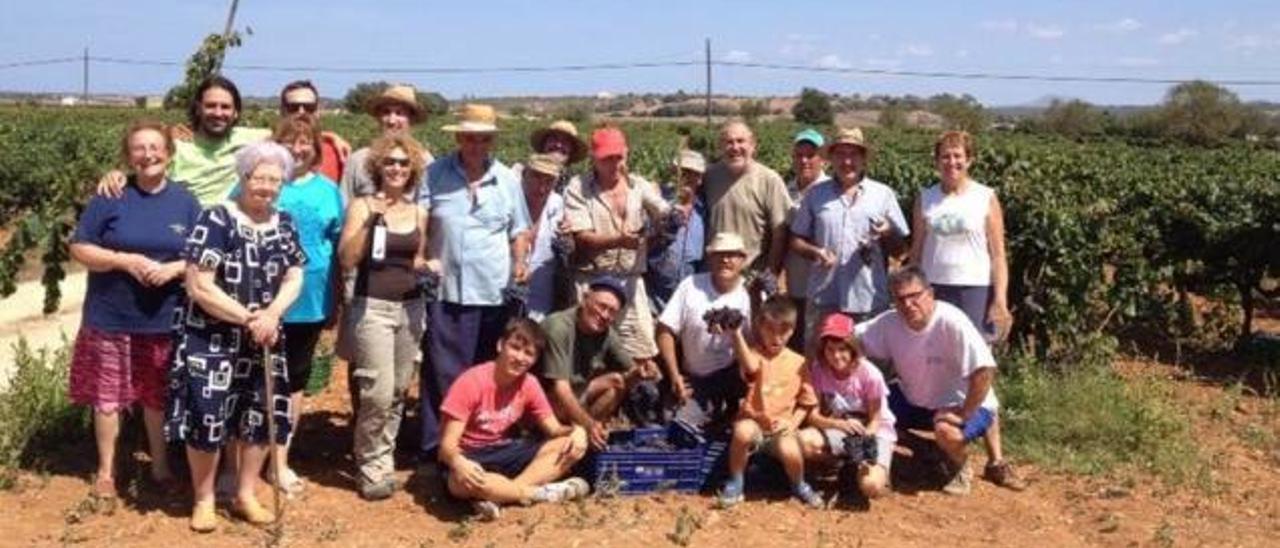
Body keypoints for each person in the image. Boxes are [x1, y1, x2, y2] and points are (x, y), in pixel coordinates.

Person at [166, 141, 305, 531]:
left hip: (263, 337)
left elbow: (295, 274)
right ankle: (205, 498)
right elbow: (199, 285)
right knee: (209, 417)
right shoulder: (217, 219)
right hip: (212, 338)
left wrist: (273, 313)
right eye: (259, 178)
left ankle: (245, 494)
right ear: (243, 178)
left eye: (276, 180)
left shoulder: (285, 222)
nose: (267, 187)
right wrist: (248, 318)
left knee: (260, 416)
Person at [68, 121, 201, 500]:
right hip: (111, 316)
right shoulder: (110, 196)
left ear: (169, 154)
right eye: (139, 149)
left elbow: (202, 254)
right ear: (128, 156)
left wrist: (174, 268)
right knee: (107, 397)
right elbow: (80, 248)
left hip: (163, 318)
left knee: (156, 397)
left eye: (155, 147)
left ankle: (159, 467)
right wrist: (123, 260)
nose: (148, 155)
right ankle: (106, 471)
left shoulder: (185, 201)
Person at [418, 104, 530, 463]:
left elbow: (519, 230)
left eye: (483, 139)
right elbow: (421, 222)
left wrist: (520, 265)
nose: (475, 145)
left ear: (491, 140)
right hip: (447, 289)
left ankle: (479, 446)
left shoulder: (508, 180)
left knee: (487, 374)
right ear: (458, 138)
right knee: (442, 373)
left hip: (494, 292)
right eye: (469, 137)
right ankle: (437, 450)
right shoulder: (434, 174)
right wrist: (420, 259)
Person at [855, 267, 1023, 495]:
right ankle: (926, 450)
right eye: (900, 299)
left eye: (914, 296)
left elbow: (984, 370)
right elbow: (849, 340)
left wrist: (964, 413)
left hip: (960, 404)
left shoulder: (952, 321)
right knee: (864, 409)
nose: (908, 305)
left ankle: (961, 467)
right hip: (915, 399)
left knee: (947, 431)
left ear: (930, 294)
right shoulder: (889, 323)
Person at [337, 134, 432, 500]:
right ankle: (369, 462)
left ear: (412, 170)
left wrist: (429, 266)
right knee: (375, 391)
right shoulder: (362, 206)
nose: (396, 168)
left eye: (403, 163)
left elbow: (417, 259)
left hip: (410, 308)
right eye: (390, 162)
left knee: (397, 390)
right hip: (371, 307)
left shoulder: (419, 213)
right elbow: (347, 258)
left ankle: (383, 458)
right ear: (378, 167)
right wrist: (372, 219)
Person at [439, 318, 590, 521]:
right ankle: (535, 493)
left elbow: (554, 430)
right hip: (469, 454)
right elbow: (446, 447)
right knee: (460, 482)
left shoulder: (529, 383)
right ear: (500, 345)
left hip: (504, 450)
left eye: (529, 354)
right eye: (515, 348)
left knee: (565, 445)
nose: (520, 358)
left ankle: (500, 496)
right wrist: (459, 462)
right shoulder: (471, 381)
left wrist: (578, 430)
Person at [266, 116, 346, 496]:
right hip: (263, 298)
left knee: (295, 380)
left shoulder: (329, 190)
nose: (298, 149)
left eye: (305, 143)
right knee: (257, 378)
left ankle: (280, 461)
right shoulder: (261, 181)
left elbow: (340, 249)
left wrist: (335, 302)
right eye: (289, 142)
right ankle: (247, 457)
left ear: (316, 149)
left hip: (310, 300)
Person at [790, 127, 908, 345]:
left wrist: (888, 231)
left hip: (868, 299)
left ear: (863, 159)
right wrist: (816, 252)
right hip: (824, 297)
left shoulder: (883, 195)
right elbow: (796, 240)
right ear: (831, 159)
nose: (847, 161)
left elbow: (900, 250)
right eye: (841, 155)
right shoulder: (816, 195)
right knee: (820, 365)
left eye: (853, 154)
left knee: (869, 364)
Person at [563, 127, 671, 361]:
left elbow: (662, 210)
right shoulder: (578, 187)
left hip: (630, 281)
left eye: (618, 157)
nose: (614, 164)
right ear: (594, 158)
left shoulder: (638, 185)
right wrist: (619, 240)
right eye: (606, 159)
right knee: (588, 356)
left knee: (641, 353)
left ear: (626, 154)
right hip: (591, 282)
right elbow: (582, 237)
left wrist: (670, 218)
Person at [97, 76, 270, 206]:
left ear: (236, 113)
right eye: (211, 106)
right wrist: (118, 175)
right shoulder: (177, 146)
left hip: (227, 232)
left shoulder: (249, 139)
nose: (218, 113)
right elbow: (145, 171)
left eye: (225, 107)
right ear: (198, 108)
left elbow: (289, 134)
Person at [717, 296, 821, 509]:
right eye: (770, 330)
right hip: (754, 423)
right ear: (759, 327)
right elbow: (751, 369)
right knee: (742, 432)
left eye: (783, 332)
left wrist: (791, 424)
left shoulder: (799, 362)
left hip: (779, 428)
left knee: (790, 450)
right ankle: (736, 481)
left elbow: (806, 402)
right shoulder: (754, 354)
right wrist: (735, 334)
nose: (776, 337)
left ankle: (799, 483)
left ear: (791, 331)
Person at [909, 130, 1012, 341]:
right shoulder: (925, 198)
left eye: (958, 156)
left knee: (975, 354)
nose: (951, 162)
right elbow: (917, 250)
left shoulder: (985, 197)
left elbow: (998, 255)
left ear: (969, 160)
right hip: (932, 287)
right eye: (945, 156)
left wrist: (1000, 299)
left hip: (975, 288)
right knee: (935, 350)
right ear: (936, 161)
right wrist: (912, 289)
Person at [539, 277, 659, 449]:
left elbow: (630, 372)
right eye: (601, 306)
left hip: (574, 395)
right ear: (585, 298)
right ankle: (581, 433)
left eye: (611, 312)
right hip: (543, 401)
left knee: (617, 381)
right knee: (576, 402)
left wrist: (642, 372)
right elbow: (561, 389)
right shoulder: (560, 326)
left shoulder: (606, 333)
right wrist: (589, 425)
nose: (604, 315)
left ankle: (586, 439)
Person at [655, 232, 752, 427]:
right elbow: (665, 330)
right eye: (719, 254)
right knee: (675, 423)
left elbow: (763, 345)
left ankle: (730, 411)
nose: (725, 260)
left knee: (745, 425)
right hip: (696, 375)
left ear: (743, 260)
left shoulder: (752, 292)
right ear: (710, 258)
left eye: (732, 255)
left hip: (734, 374)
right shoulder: (690, 285)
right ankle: (712, 412)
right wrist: (675, 376)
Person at [797, 313, 894, 500]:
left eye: (842, 349)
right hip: (840, 429)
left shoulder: (869, 374)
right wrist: (837, 425)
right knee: (801, 441)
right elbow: (813, 416)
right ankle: (844, 464)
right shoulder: (819, 370)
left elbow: (876, 418)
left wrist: (865, 443)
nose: (836, 356)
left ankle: (874, 467)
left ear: (853, 349)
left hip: (872, 432)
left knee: (871, 486)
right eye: (830, 349)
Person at [701, 120, 792, 277]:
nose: (735, 147)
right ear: (721, 147)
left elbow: (780, 232)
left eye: (740, 141)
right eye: (729, 142)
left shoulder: (769, 179)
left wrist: (770, 273)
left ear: (753, 145)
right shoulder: (709, 176)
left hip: (752, 275)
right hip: (714, 273)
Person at [340, 84, 435, 202]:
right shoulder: (358, 160)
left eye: (399, 113)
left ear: (411, 118)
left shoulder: (425, 162)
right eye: (386, 112)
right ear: (378, 118)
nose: (392, 120)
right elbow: (344, 207)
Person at [782, 128, 828, 350]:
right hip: (795, 282)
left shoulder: (830, 191)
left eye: (811, 155)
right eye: (799, 155)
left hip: (823, 283)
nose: (804, 160)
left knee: (819, 342)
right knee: (798, 340)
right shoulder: (785, 190)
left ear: (823, 159)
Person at [645, 149, 707, 313]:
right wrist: (663, 233)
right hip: (652, 302)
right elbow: (640, 248)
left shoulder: (704, 213)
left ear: (700, 179)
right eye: (682, 172)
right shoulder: (655, 203)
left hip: (686, 306)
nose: (685, 177)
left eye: (691, 173)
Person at [517, 153, 567, 321]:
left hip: (540, 295)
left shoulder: (557, 205)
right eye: (537, 178)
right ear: (524, 175)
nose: (542, 187)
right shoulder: (508, 200)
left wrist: (568, 238)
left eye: (549, 181)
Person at [278, 79, 349, 182]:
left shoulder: (338, 153)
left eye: (309, 107)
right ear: (282, 111)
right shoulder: (266, 152)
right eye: (293, 107)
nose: (301, 112)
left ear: (318, 111)